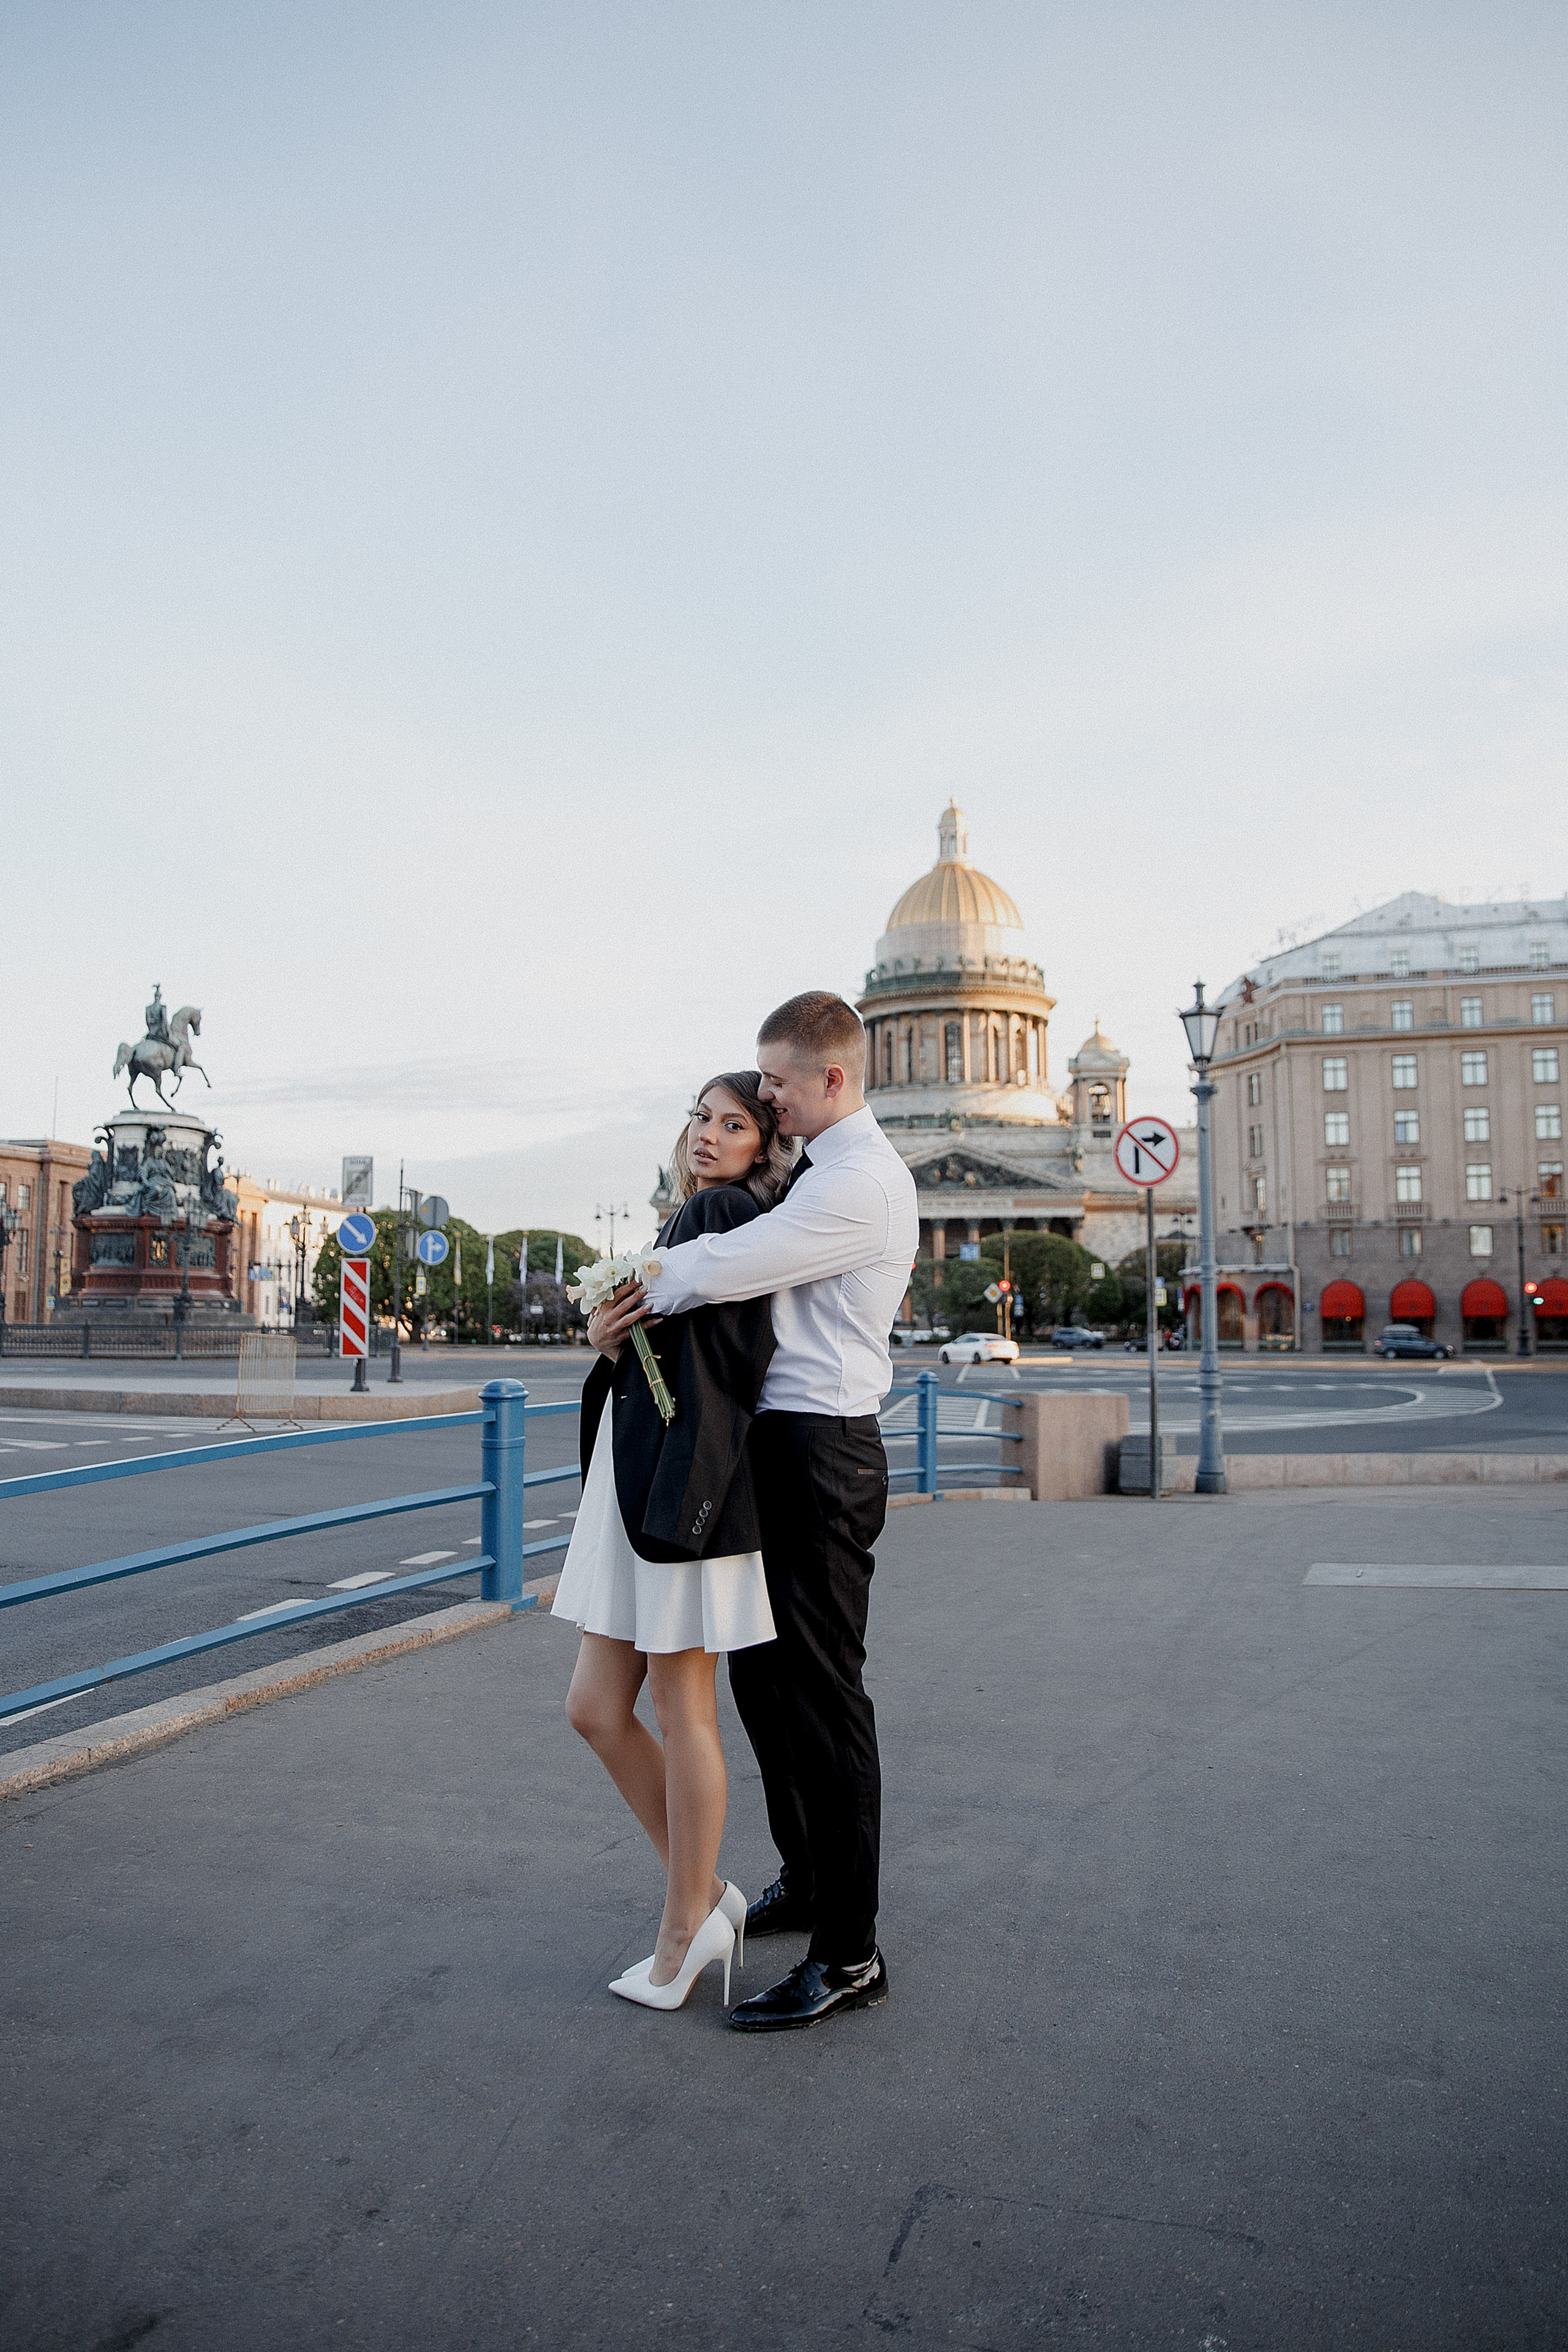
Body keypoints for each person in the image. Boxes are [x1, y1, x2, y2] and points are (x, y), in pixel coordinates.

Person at [597, 992, 919, 2032]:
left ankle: (851, 1950)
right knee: (769, 1693)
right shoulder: (820, 1172)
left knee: (825, 1701)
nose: (765, 1098)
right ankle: (811, 1879)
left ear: (831, 1079)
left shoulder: (862, 1183)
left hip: (822, 1453)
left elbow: (729, 1266)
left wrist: (622, 1280)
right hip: (777, 1454)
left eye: (774, 1083)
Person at [552, 1071, 794, 2011]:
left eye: (733, 1124)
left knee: (683, 1708)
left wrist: (623, 1335)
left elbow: (729, 1367)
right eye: (701, 1117)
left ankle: (680, 1932)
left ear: (760, 1148)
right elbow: (675, 1352)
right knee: (596, 1706)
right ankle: (705, 1897)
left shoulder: (724, 1215)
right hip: (644, 1485)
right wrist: (614, 1343)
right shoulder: (695, 1219)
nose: (708, 1134)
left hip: (686, 1495)